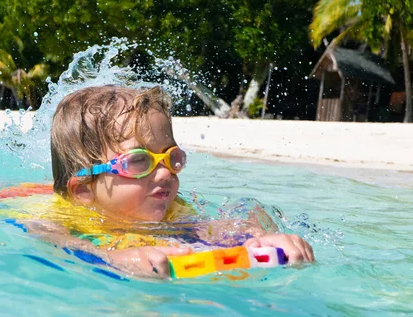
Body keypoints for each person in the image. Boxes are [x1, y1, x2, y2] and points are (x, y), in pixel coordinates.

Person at [24, 85, 314, 278]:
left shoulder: (175, 211)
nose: (165, 174)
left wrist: (262, 240)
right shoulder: (64, 217)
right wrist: (110, 258)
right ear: (85, 190)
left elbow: (225, 229)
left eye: (170, 157)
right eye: (139, 161)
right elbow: (49, 239)